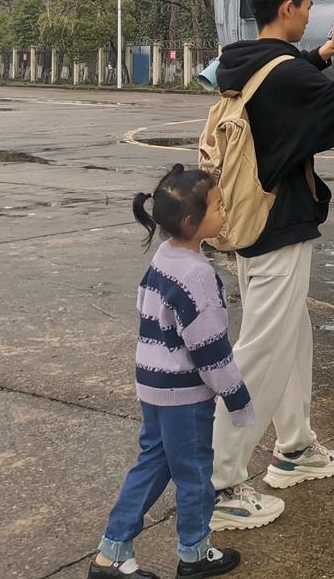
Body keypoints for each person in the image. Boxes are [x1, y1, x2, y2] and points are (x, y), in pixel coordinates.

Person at [209, 0, 334, 532]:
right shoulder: (283, 74)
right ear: (287, 8)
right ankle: (218, 484)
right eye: (308, 7)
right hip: (277, 226)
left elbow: (283, 86)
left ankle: (294, 447)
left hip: (251, 222)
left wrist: (322, 54)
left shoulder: (241, 61)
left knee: (291, 335)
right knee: (262, 350)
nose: (311, 15)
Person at [89, 164, 250, 579]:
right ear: (192, 222)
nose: (224, 211)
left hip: (153, 386)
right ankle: (194, 553)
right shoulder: (198, 276)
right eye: (218, 206)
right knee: (195, 473)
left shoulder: (163, 258)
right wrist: (237, 398)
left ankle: (111, 552)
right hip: (184, 396)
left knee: (152, 464)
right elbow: (211, 351)